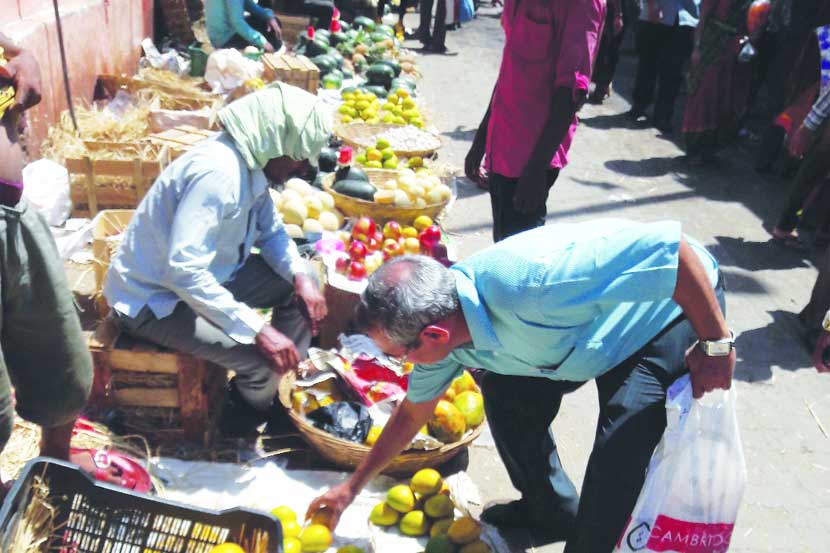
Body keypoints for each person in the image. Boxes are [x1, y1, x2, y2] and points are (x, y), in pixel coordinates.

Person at [308, 219, 735, 553]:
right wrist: (351, 488)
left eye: (399, 355)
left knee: (621, 445)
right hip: (581, 339)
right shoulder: (448, 333)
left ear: (435, 335)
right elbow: (412, 414)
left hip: (661, 313)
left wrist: (716, 344)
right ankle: (550, 510)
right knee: (507, 396)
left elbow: (673, 256)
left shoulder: (538, 283)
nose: (400, 364)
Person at [103, 84, 329, 434]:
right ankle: (246, 409)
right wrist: (258, 330)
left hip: (211, 279)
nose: (301, 167)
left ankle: (282, 383)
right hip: (156, 302)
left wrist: (299, 277)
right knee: (263, 364)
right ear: (275, 141)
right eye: (299, 156)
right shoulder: (219, 175)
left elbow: (271, 233)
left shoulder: (250, 167)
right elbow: (185, 273)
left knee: (303, 282)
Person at [0, 33, 95, 498]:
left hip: (14, 215)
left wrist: (25, 57)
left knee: (64, 367)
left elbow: (11, 49)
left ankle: (55, 472)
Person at [464, 0, 605, 242]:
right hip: (501, 145)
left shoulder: (581, 5)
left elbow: (570, 94)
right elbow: (510, 70)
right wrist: (482, 138)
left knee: (520, 258)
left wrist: (535, 171)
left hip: (531, 158)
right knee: (502, 245)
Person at [681, 0, 754, 164]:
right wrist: (697, 48)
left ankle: (710, 149)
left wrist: (750, 41)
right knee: (702, 95)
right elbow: (703, 19)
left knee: (723, 99)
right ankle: (694, 149)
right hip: (710, 47)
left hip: (733, 52)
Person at [770, 50, 830, 249]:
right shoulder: (823, 36)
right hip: (821, 128)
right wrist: (809, 125)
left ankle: (816, 232)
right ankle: (785, 227)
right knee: (809, 177)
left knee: (810, 178)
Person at [629, 0, 700, 133]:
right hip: (658, 15)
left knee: (673, 71)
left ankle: (663, 116)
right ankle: (639, 107)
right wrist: (652, 5)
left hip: (685, 18)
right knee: (648, 64)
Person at [205, 0, 283, 52]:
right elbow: (237, 22)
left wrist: (269, 17)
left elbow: (248, 4)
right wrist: (262, 41)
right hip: (225, 39)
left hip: (223, 33)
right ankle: (269, 51)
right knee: (270, 34)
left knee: (272, 22)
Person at [589, 0, 628, 104]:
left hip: (612, 9)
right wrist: (618, 13)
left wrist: (618, 14)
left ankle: (601, 88)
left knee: (607, 49)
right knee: (605, 49)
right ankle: (601, 87)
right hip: (608, 8)